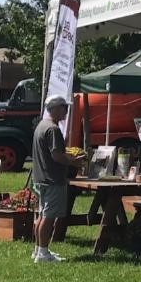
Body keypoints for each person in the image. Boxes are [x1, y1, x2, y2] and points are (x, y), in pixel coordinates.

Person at [32, 95, 84, 263]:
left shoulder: (41, 125)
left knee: (42, 214)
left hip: (40, 177)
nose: (66, 111)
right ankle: (43, 253)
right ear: (55, 108)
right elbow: (56, 156)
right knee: (49, 216)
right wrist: (74, 161)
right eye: (64, 107)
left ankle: (39, 250)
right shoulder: (53, 129)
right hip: (52, 178)